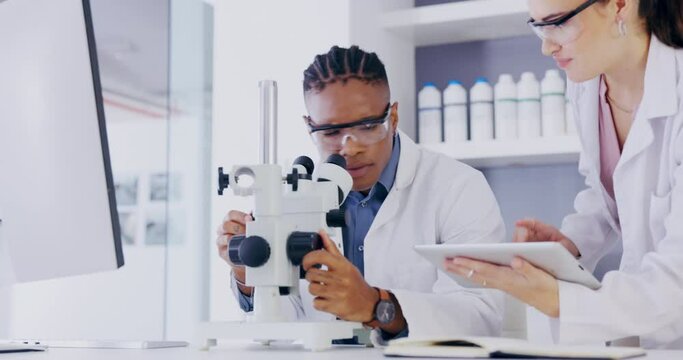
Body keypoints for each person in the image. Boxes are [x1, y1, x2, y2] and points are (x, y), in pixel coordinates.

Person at [217, 45, 506, 343]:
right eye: (330, 132)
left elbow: (481, 317)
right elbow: (285, 324)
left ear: (393, 117)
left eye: (368, 126)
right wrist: (248, 275)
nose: (350, 148)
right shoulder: (296, 195)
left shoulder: (458, 188)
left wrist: (375, 305)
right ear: (309, 128)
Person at [445, 0, 683, 349]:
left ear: (619, 5)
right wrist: (570, 246)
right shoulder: (586, 84)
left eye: (559, 23)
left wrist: (557, 298)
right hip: (646, 338)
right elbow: (609, 188)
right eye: (538, 25)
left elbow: (676, 282)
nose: (546, 46)